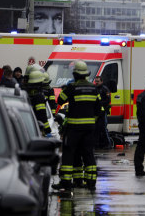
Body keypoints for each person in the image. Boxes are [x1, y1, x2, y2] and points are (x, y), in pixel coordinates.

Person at [52, 61, 102, 195]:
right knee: (88, 154)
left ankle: (66, 184)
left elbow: (60, 100)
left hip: (73, 129)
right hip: (89, 129)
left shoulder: (71, 88)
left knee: (69, 154)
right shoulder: (94, 89)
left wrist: (65, 89)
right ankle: (91, 183)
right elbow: (99, 109)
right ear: (86, 74)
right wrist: (92, 122)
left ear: (74, 74)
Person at [25, 70, 51, 136]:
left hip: (27, 127)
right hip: (36, 129)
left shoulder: (27, 93)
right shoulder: (39, 96)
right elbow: (42, 115)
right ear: (39, 83)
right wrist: (47, 129)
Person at [94, 76, 113, 149]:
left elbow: (108, 100)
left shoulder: (105, 89)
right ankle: (97, 144)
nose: (96, 83)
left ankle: (108, 144)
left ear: (101, 81)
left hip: (103, 111)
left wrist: (99, 103)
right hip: (96, 111)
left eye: (98, 81)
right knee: (96, 128)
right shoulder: (95, 89)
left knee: (103, 128)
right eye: (96, 81)